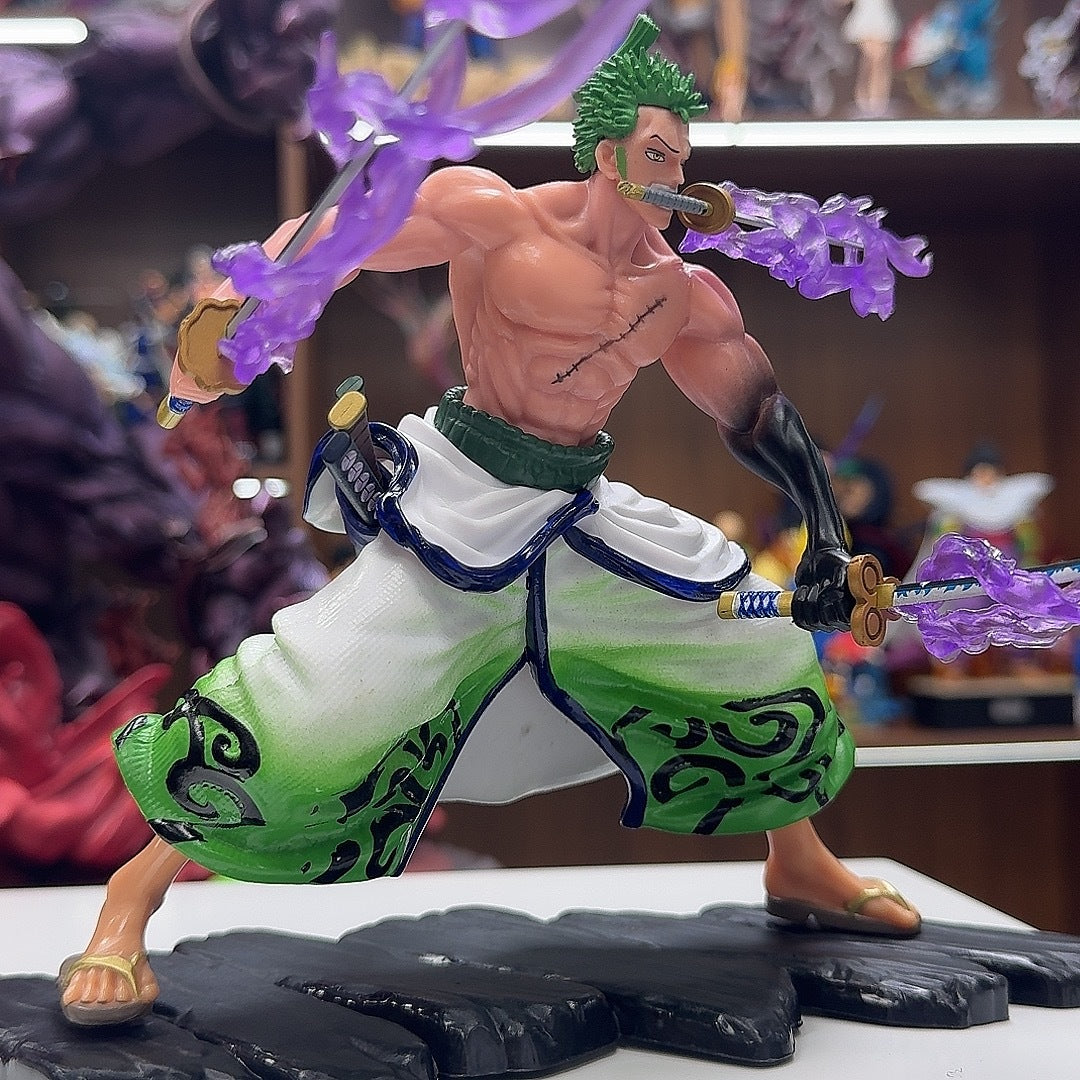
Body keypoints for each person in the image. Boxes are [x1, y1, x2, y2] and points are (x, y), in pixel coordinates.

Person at [59, 15, 919, 1028]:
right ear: (606, 154)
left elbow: (759, 413)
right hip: (463, 497)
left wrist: (827, 537)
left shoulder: (680, 291)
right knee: (318, 697)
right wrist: (239, 307)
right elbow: (340, 240)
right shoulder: (493, 216)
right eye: (657, 153)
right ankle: (130, 900)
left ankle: (799, 863)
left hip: (580, 506)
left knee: (751, 646)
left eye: (682, 156)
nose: (675, 174)